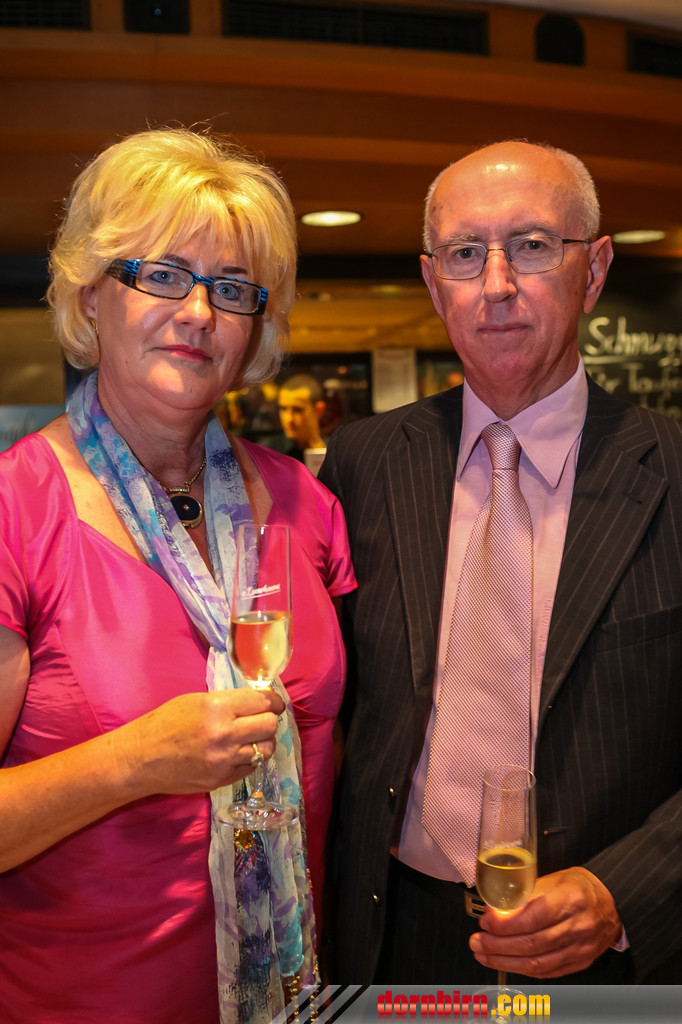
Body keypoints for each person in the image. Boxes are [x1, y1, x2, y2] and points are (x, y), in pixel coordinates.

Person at [0, 128, 355, 1024]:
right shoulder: (15, 510)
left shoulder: (307, 503)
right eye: (162, 275)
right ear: (92, 292)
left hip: (298, 996)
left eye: (231, 288)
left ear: (255, 325)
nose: (197, 312)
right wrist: (132, 762)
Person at [319, 140, 681, 986]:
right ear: (431, 281)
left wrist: (623, 890)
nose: (496, 284)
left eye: (531, 245)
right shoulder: (363, 465)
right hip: (392, 936)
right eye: (463, 254)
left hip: (603, 957)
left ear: (594, 270)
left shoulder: (673, 471)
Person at [278, 374, 327, 457]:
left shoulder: (336, 451)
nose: (289, 419)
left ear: (319, 410)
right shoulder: (271, 452)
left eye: (297, 410)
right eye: (283, 409)